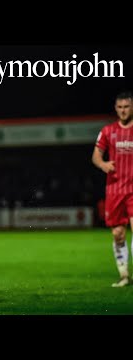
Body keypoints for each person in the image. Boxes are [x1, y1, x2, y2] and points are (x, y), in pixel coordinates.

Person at [92, 90, 133, 288]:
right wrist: (103, 165)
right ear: (116, 109)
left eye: (126, 107)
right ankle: (124, 275)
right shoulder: (108, 131)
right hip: (115, 189)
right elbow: (96, 156)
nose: (123, 111)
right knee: (118, 233)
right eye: (120, 107)